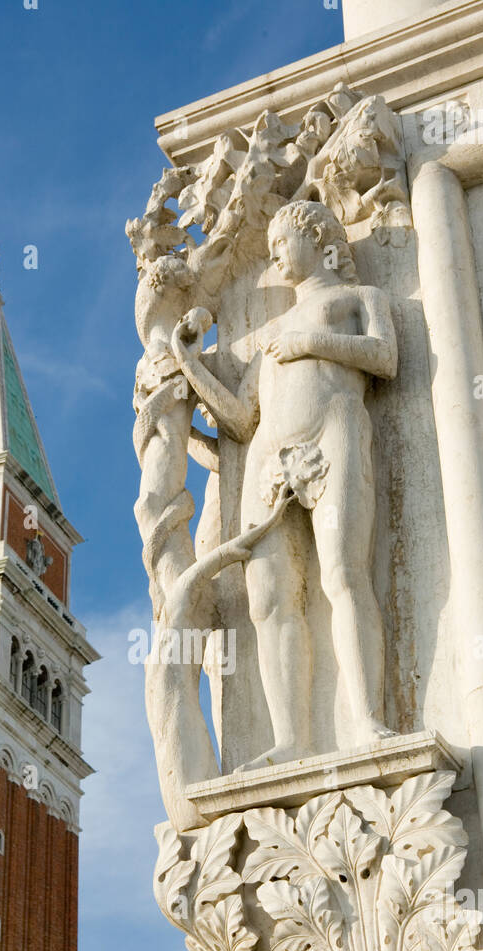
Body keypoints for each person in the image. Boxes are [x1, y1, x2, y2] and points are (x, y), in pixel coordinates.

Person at [170, 200, 398, 768]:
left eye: (281, 238)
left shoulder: (357, 300)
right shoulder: (271, 334)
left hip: (335, 431)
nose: (273, 252)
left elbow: (385, 357)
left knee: (344, 573)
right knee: (269, 598)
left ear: (320, 239)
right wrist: (190, 364)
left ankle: (367, 721)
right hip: (268, 458)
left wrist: (312, 344)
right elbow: (242, 420)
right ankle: (291, 738)